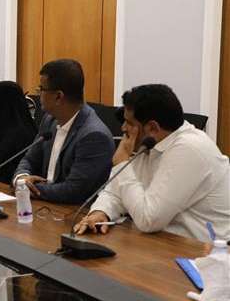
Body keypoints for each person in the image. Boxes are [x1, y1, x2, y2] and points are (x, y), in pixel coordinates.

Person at [74, 84, 230, 241]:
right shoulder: (151, 143)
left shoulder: (190, 149)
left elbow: (148, 220)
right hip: (164, 242)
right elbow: (115, 192)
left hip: (204, 250)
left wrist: (121, 163)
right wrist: (101, 212)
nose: (123, 128)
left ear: (153, 128)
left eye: (129, 123)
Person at [13, 59, 114, 204]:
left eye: (41, 88)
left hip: (72, 212)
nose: (38, 93)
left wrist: (28, 188)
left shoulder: (94, 136)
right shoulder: (50, 120)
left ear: (58, 96)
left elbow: (73, 191)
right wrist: (22, 178)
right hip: (45, 205)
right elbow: (29, 159)